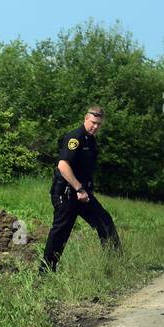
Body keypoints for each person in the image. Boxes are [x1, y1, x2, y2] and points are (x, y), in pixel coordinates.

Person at [40, 106, 123, 272]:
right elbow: (63, 166)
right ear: (85, 119)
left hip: (82, 195)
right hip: (67, 194)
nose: (95, 126)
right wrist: (79, 188)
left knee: (105, 223)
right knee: (60, 234)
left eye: (99, 124)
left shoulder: (90, 140)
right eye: (93, 122)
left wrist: (84, 190)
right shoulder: (75, 137)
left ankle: (116, 266)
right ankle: (45, 273)